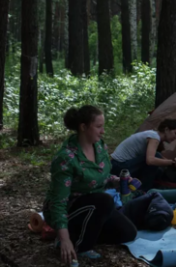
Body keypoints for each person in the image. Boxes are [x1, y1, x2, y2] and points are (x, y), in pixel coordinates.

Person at [43, 105, 137, 265]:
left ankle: (79, 234)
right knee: (104, 200)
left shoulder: (100, 146)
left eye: (103, 126)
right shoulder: (66, 158)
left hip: (95, 206)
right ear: (83, 127)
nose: (103, 131)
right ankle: (77, 244)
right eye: (99, 127)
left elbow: (101, 176)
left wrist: (117, 181)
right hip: (70, 209)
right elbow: (58, 202)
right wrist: (65, 239)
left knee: (128, 233)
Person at [110, 119, 176, 191]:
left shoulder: (153, 135)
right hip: (119, 167)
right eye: (175, 133)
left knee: (158, 167)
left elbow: (161, 158)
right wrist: (172, 162)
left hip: (117, 166)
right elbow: (150, 160)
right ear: (166, 130)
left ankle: (146, 188)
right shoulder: (154, 137)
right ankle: (143, 190)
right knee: (156, 158)